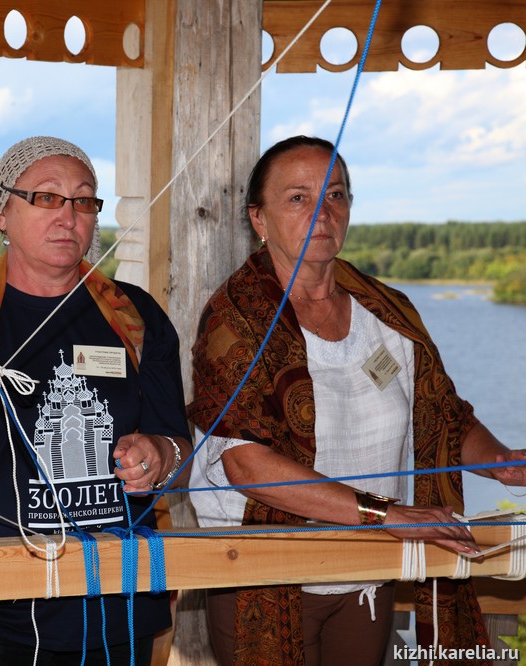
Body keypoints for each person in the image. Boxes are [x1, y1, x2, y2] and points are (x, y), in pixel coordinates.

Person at [187, 135, 526, 665]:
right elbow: (247, 466)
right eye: (298, 197)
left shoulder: (388, 312)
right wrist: (386, 513)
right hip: (264, 574)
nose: (322, 212)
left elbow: (441, 415)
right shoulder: (234, 320)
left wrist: (501, 461)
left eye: (337, 195)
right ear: (259, 218)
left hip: (368, 570)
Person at [0, 136, 193, 666]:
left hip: (121, 605)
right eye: (47, 197)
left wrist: (160, 456)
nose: (69, 216)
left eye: (84, 200)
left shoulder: (136, 319)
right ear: (2, 212)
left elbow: (180, 456)